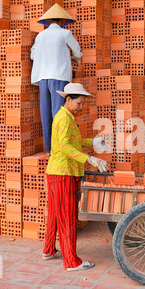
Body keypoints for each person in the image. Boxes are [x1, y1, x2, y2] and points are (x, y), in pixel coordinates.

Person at [42, 83, 109, 271]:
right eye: (79, 103)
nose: (81, 107)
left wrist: (92, 142)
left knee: (55, 214)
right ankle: (71, 261)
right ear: (68, 99)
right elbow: (63, 146)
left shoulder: (67, 117)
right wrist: (90, 159)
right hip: (64, 173)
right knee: (68, 217)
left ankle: (48, 250)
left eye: (83, 104)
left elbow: (73, 142)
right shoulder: (63, 118)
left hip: (57, 173)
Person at [30, 3, 82, 155]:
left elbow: (33, 55)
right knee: (59, 114)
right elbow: (78, 52)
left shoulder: (40, 36)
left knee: (45, 113)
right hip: (58, 76)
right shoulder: (65, 34)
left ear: (49, 20)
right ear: (61, 21)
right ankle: (60, 148)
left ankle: (49, 150)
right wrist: (75, 59)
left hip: (42, 78)